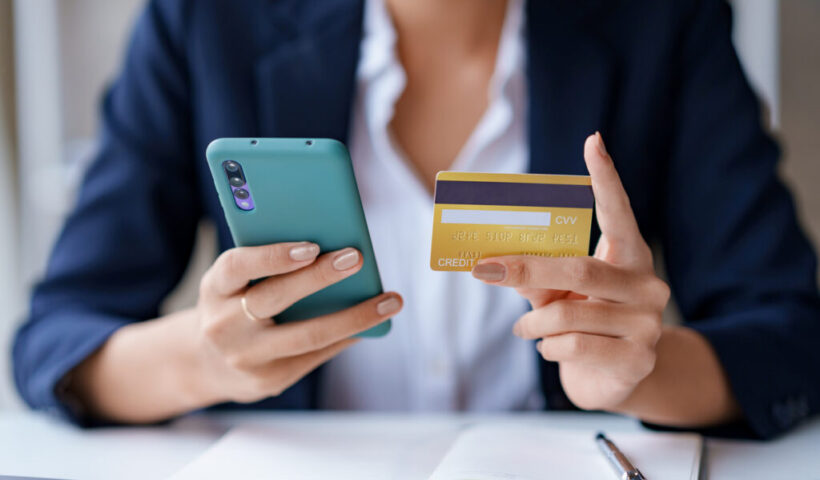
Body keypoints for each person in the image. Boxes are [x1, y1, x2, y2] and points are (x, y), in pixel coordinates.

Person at [13, 0, 820, 439]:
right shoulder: (204, 20)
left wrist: (645, 370)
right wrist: (203, 363)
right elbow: (56, 340)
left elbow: (791, 338)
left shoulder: (663, 22)